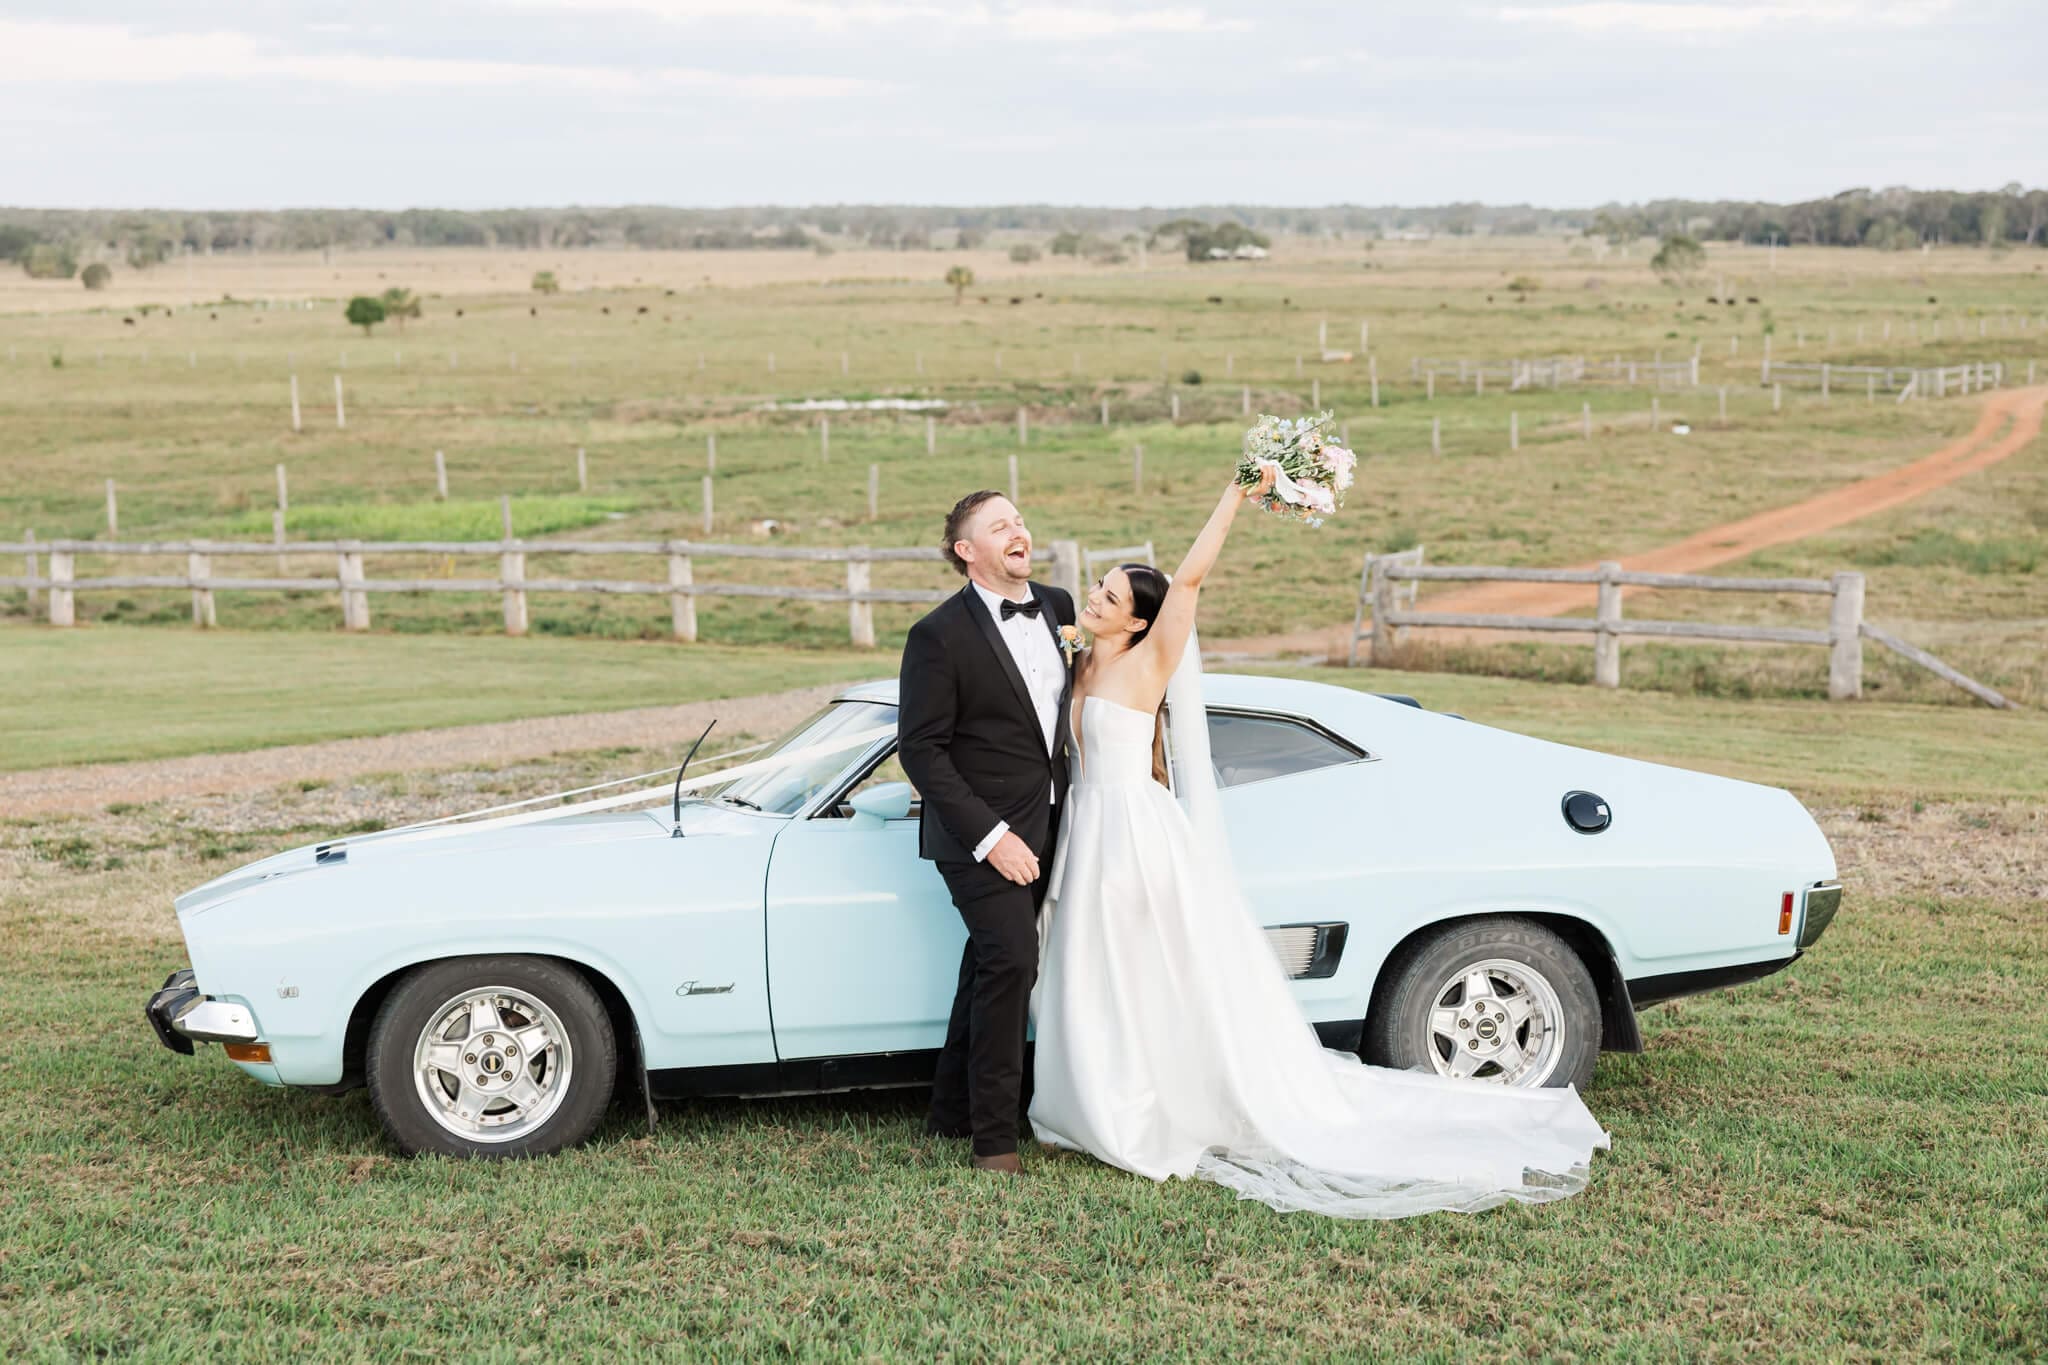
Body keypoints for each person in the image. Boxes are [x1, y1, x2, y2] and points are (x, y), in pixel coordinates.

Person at [1027, 471, 1612, 1217]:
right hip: (1086, 829)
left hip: (1134, 838)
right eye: (1099, 588)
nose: (1097, 597)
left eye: (1112, 594)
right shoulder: (1083, 658)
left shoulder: (1148, 661)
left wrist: (1238, 493)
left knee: (1140, 968)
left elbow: (1193, 579)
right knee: (1088, 967)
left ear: (1141, 621)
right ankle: (1085, 1102)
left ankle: (1140, 1108)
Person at [896, 490, 1075, 1174]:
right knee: (1010, 959)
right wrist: (991, 836)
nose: (1019, 531)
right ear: (967, 551)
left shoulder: (1059, 608)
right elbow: (922, 749)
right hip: (979, 832)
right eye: (1000, 526)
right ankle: (995, 1141)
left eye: (1021, 520)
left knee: (985, 962)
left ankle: (951, 1109)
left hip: (1056, 819)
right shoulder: (937, 635)